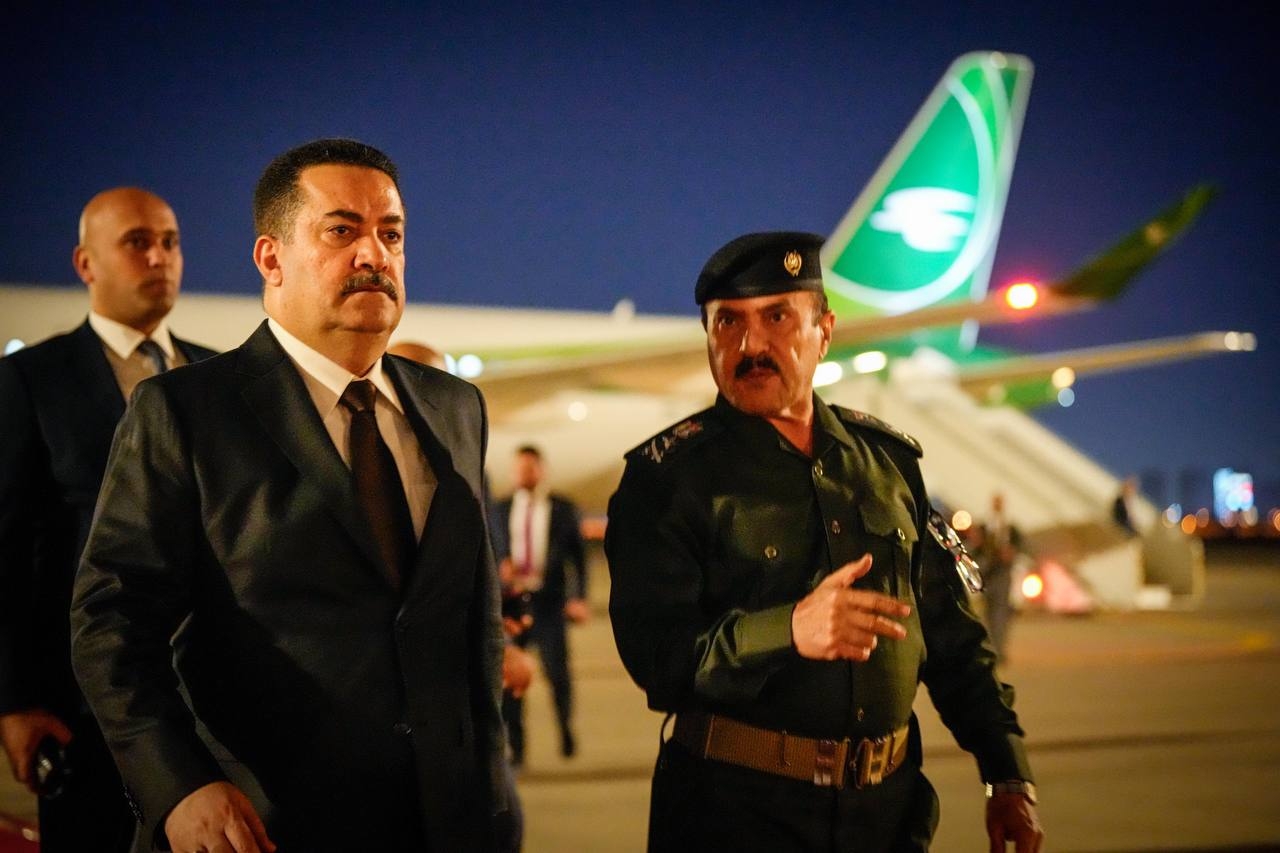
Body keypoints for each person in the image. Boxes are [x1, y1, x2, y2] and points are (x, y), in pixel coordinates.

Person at [70, 139, 509, 853]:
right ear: (270, 259)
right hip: (261, 824)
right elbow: (110, 623)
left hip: (437, 823)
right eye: (341, 230)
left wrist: (490, 802)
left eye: (391, 233)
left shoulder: (454, 408)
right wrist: (177, 785)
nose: (373, 254)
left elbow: (473, 626)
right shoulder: (186, 412)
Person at [606, 232, 1043, 852]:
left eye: (777, 317)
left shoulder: (888, 464)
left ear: (825, 331)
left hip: (888, 818)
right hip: (735, 819)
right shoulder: (667, 480)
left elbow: (952, 637)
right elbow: (658, 660)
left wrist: (1007, 772)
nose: (750, 345)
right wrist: (789, 629)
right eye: (728, 322)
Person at [0, 187, 216, 852]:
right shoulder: (31, 380)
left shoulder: (218, 376)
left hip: (216, 702)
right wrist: (14, 700)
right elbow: (6, 547)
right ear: (85, 263)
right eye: (137, 242)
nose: (160, 257)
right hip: (87, 703)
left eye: (170, 242)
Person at [494, 445, 589, 767]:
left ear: (542, 470)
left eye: (530, 468)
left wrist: (578, 598)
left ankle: (565, 729)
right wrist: (500, 569)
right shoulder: (500, 509)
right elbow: (490, 550)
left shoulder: (563, 508)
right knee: (511, 679)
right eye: (519, 468)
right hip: (513, 605)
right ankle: (517, 747)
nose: (524, 474)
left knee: (557, 674)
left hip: (549, 603)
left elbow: (579, 558)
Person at [975, 493, 1024, 663]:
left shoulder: (1010, 528)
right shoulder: (984, 526)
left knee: (1000, 614)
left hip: (1003, 574)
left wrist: (1011, 553)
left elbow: (1021, 546)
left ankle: (999, 649)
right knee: (988, 614)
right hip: (988, 574)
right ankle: (989, 648)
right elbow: (976, 548)